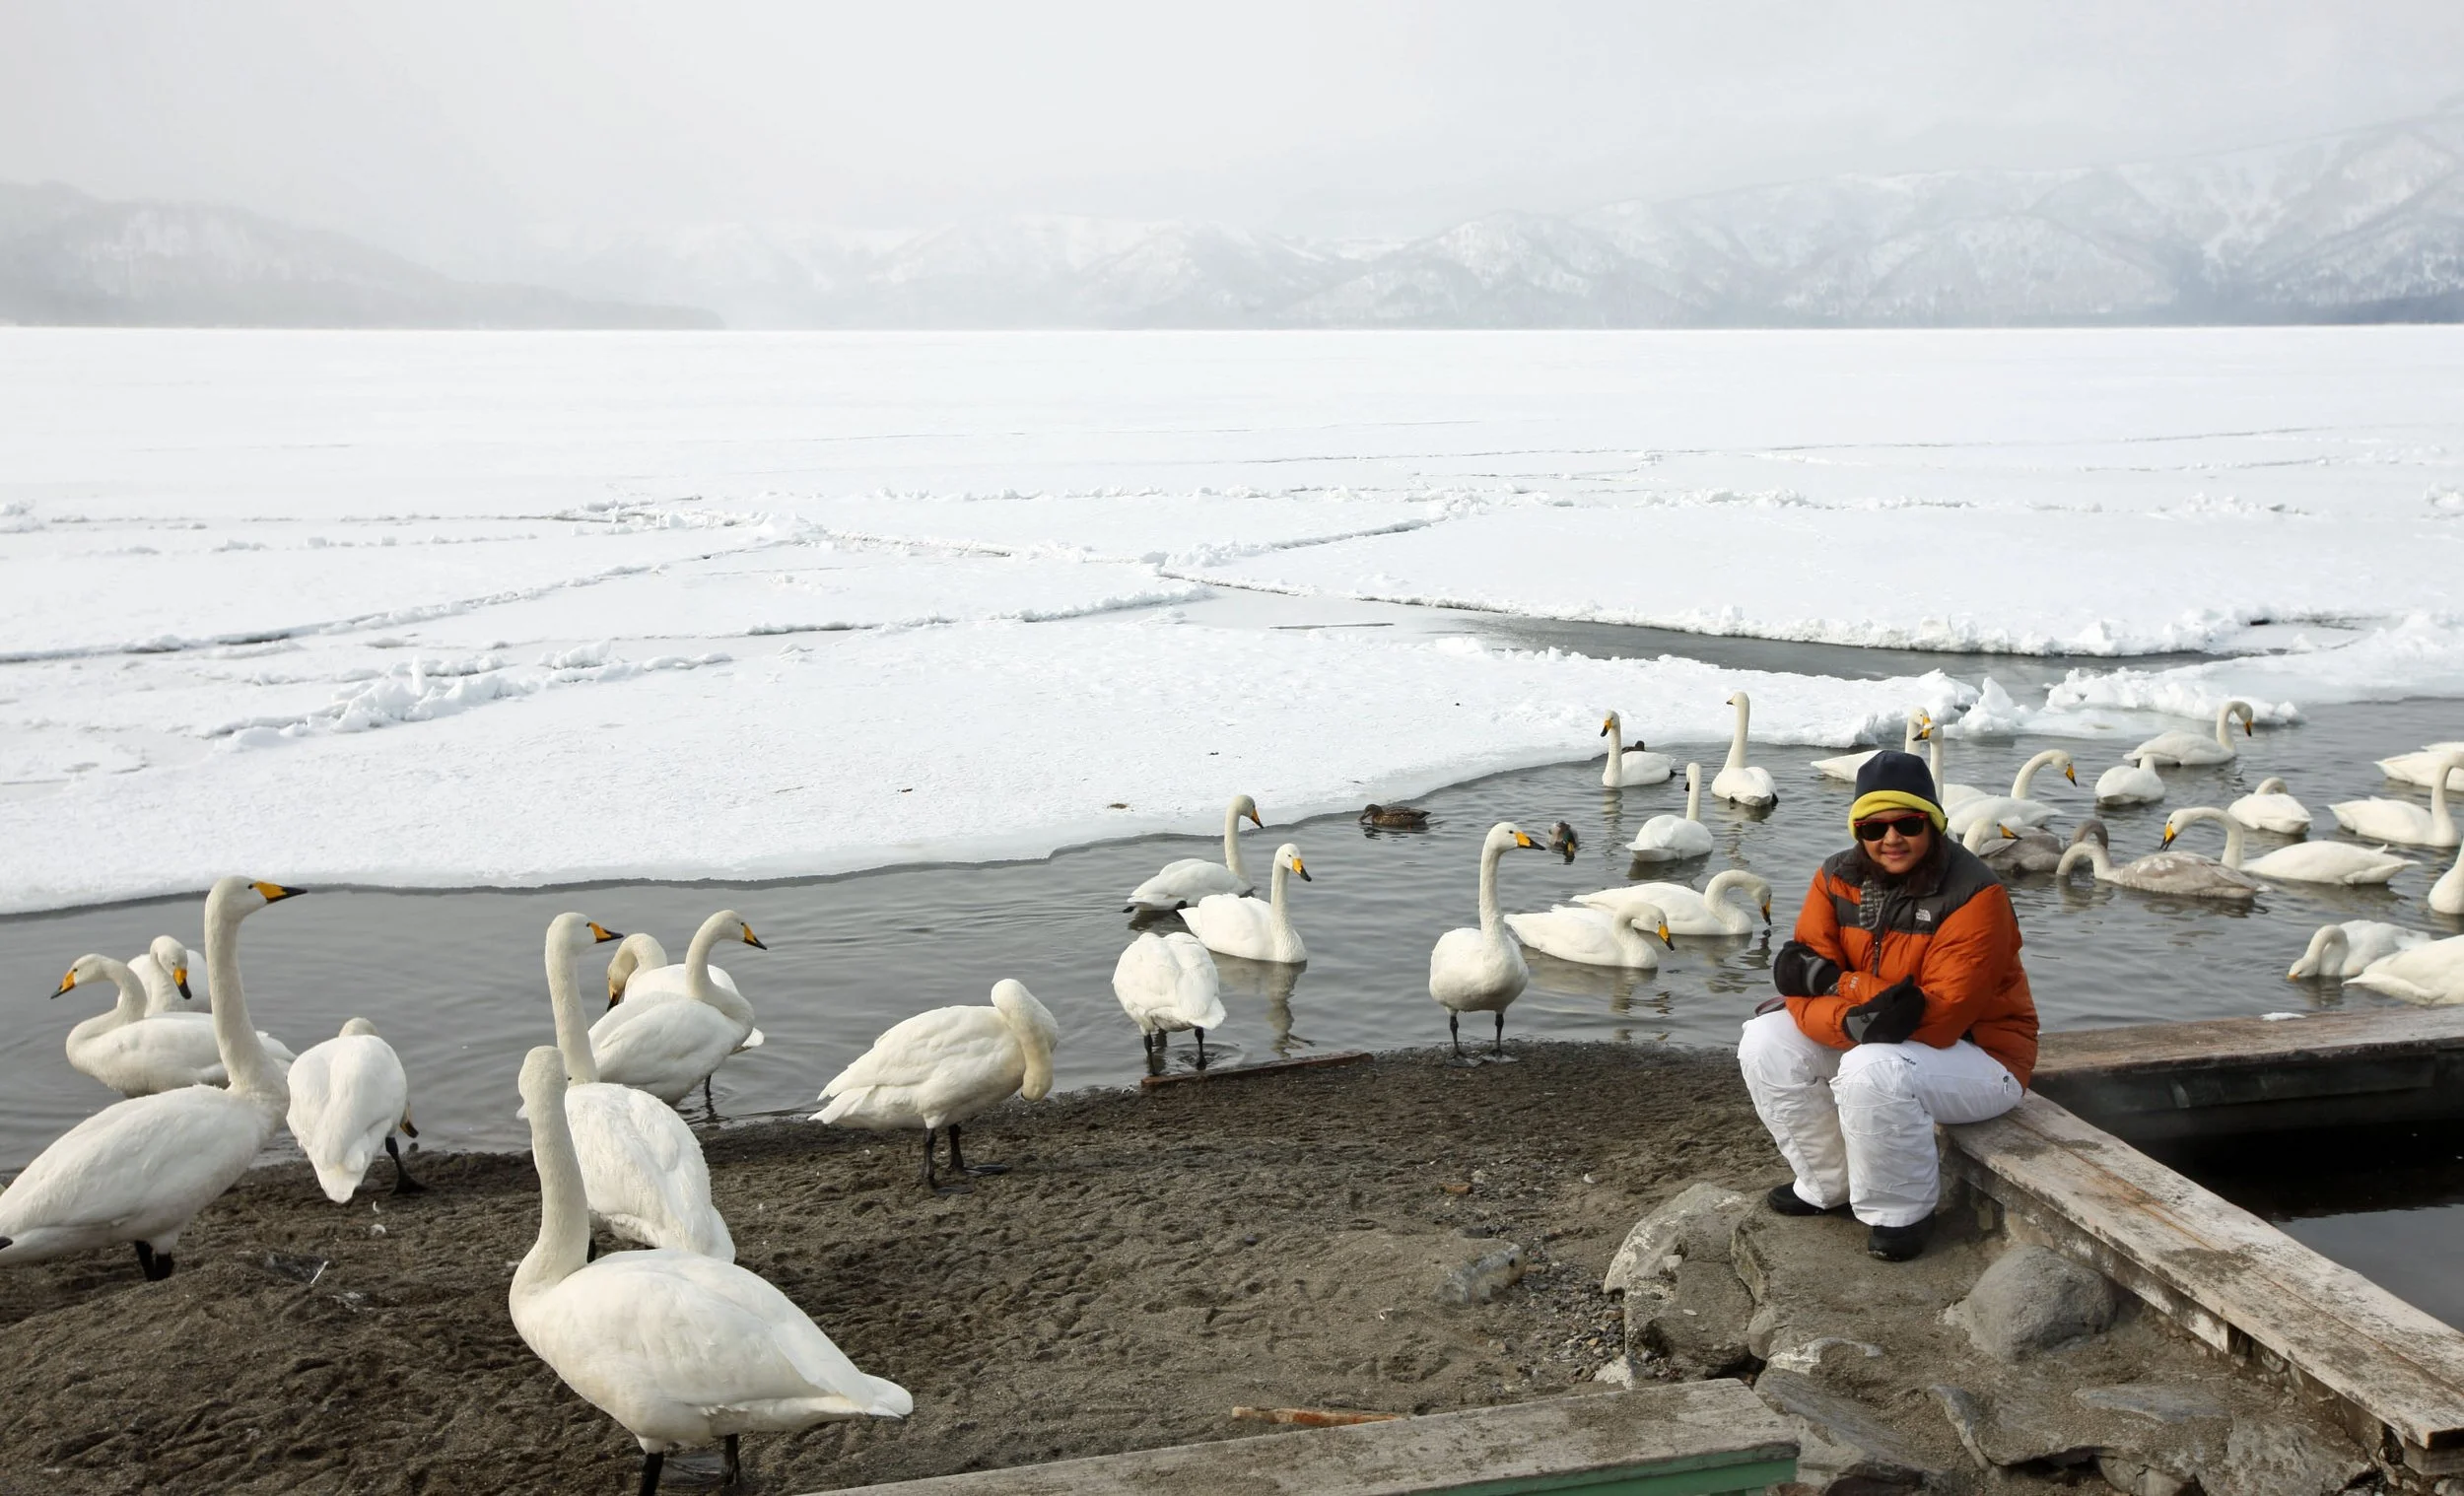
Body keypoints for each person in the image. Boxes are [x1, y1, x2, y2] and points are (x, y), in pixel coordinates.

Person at [1738, 748, 2037, 1261]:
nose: (1890, 838)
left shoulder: (1975, 896)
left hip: (1983, 1058)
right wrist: (1861, 1012)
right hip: (1878, 1036)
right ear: (1859, 832)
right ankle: (1828, 1183)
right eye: (1874, 828)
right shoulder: (1836, 877)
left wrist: (1838, 986)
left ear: (1933, 824)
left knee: (1871, 1069)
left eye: (1908, 824)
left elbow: (1939, 1019)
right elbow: (1797, 983)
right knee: (1765, 1039)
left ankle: (1900, 1213)